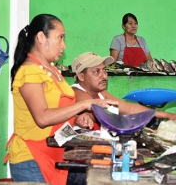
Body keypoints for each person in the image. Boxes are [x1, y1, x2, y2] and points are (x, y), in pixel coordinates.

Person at [7, 14, 117, 185]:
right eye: (60, 38)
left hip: (54, 153)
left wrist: (76, 118)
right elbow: (42, 118)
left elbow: (57, 111)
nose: (64, 46)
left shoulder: (52, 70)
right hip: (31, 159)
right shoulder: (29, 72)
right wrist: (85, 103)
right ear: (41, 37)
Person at [71, 52, 176, 128]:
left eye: (104, 70)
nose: (104, 76)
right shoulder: (77, 94)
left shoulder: (99, 92)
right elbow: (106, 116)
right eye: (96, 71)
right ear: (81, 77)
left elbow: (127, 108)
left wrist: (167, 115)